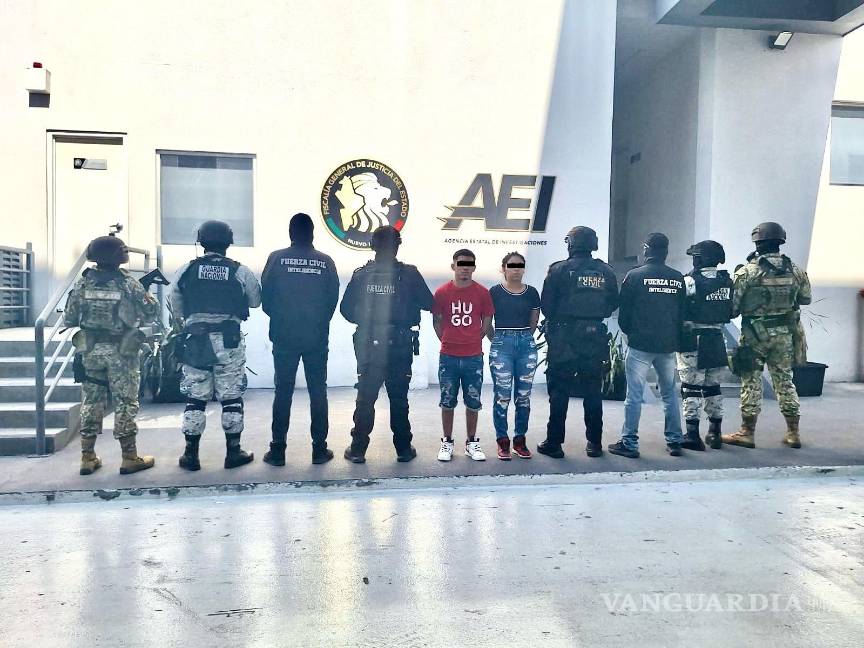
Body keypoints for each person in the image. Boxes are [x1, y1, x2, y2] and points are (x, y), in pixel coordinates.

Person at [64, 234, 160, 475]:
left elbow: (69, 317)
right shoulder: (128, 284)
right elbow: (150, 312)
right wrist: (147, 294)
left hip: (91, 352)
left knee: (92, 401)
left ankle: (87, 457)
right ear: (120, 256)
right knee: (125, 402)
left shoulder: (83, 283)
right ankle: (129, 457)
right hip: (121, 353)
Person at [171, 220, 261, 470]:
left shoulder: (187, 269)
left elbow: (175, 303)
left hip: (196, 341)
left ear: (201, 241)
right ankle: (233, 452)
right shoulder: (239, 271)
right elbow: (255, 301)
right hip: (228, 340)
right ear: (228, 242)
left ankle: (191, 455)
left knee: (195, 398)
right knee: (231, 397)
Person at [340, 225, 434, 463]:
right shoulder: (410, 274)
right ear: (398, 246)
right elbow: (429, 303)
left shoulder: (361, 274)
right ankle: (403, 449)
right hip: (400, 344)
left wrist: (368, 321)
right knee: (399, 398)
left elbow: (346, 310)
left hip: (369, 344)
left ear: (373, 246)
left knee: (366, 398)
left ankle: (358, 449)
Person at [722, 222, 812, 449]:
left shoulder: (747, 272)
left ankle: (746, 433)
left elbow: (732, 309)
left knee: (751, 381)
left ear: (758, 244)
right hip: (784, 335)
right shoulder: (796, 270)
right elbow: (805, 299)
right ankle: (793, 433)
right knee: (785, 381)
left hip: (754, 336)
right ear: (780, 242)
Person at [261, 213, 339, 466]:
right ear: (312, 233)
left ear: (290, 233)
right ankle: (319, 450)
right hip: (316, 336)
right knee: (318, 391)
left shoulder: (276, 258)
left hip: (284, 335)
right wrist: (318, 321)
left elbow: (266, 298)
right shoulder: (325, 261)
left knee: (283, 391)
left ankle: (277, 450)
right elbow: (332, 299)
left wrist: (282, 317)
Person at [538, 226, 619, 458]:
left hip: (564, 337)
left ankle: (554, 443)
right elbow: (613, 303)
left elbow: (547, 306)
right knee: (593, 391)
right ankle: (594, 443)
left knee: (559, 391)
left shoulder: (559, 270)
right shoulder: (606, 271)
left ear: (571, 244)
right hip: (594, 337)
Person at [610, 232, 686, 458]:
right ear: (666, 252)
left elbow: (624, 312)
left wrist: (630, 333)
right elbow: (682, 313)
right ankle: (675, 441)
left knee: (634, 395)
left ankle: (629, 443)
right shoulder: (677, 278)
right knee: (670, 394)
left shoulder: (635, 276)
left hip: (640, 345)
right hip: (667, 345)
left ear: (646, 250)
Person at [432, 249, 494, 461]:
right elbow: (437, 321)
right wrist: (447, 340)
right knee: (447, 401)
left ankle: (471, 442)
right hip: (448, 357)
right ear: (453, 266)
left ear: (474, 268)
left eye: (469, 265)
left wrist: (475, 338)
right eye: (461, 264)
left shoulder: (482, 293)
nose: (465, 268)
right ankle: (447, 442)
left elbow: (487, 320)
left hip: (473, 356)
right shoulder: (442, 292)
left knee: (473, 401)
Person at [677, 240, 733, 451]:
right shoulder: (727, 281)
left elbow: (680, 308)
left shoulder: (690, 281)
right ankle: (715, 433)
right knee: (713, 387)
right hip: (717, 338)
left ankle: (692, 435)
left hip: (694, 339)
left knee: (691, 388)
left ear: (700, 259)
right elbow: (732, 310)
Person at [487, 252, 540, 460]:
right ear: (504, 268)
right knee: (502, 396)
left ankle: (520, 440)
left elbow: (533, 322)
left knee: (523, 396)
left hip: (526, 344)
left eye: (520, 265)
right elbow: (487, 322)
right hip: (502, 345)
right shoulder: (494, 292)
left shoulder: (532, 292)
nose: (516, 269)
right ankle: (502, 441)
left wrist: (523, 337)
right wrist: (498, 340)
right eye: (512, 266)